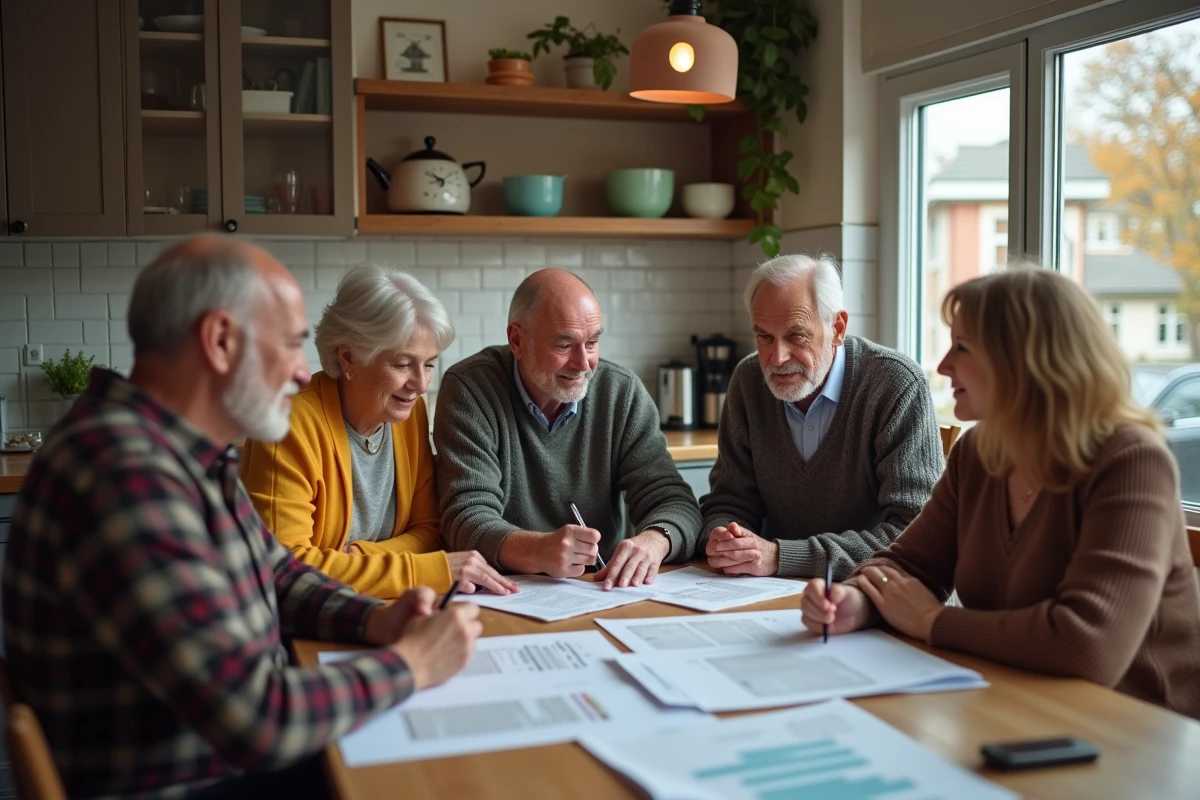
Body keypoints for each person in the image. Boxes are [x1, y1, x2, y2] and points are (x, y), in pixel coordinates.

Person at [2, 236, 482, 799]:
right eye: (291, 345)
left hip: (217, 758)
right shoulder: (124, 474)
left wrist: (375, 620)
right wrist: (410, 665)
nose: (303, 374)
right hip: (185, 780)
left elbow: (276, 571)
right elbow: (257, 720)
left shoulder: (178, 451)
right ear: (220, 341)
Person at [801, 267, 1200, 719]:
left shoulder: (1131, 461)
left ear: (1028, 359)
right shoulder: (979, 453)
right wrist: (856, 602)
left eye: (963, 347)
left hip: (1138, 728)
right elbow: (909, 564)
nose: (943, 365)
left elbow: (1090, 645)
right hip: (1018, 703)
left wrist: (934, 621)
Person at [241, 263, 515, 598]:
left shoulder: (406, 415)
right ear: (348, 357)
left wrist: (359, 557)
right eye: (402, 364)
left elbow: (430, 531)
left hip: (386, 605)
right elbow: (286, 568)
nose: (420, 384)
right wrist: (426, 570)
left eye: (429, 364)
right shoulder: (287, 423)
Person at [434, 268, 702, 589]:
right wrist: (537, 550)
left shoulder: (621, 392)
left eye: (592, 343)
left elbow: (674, 501)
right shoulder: (471, 389)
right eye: (564, 345)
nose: (583, 364)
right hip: (502, 589)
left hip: (598, 588)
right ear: (517, 340)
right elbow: (464, 518)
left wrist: (655, 541)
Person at [701, 253, 943, 579]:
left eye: (796, 335)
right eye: (765, 336)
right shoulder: (748, 381)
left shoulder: (895, 384)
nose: (777, 358)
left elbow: (915, 534)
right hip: (769, 592)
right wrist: (724, 537)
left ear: (838, 328)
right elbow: (730, 499)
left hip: (873, 592)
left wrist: (781, 557)